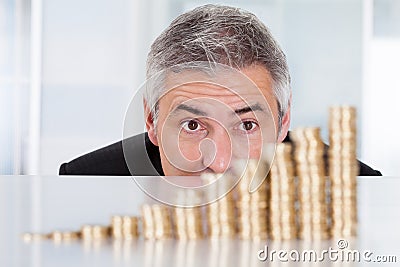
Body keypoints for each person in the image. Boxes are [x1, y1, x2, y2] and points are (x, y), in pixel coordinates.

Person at [59, 4, 381, 176]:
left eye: (247, 125)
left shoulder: (358, 189)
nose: (220, 162)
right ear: (151, 121)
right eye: (193, 125)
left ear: (284, 122)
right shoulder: (85, 185)